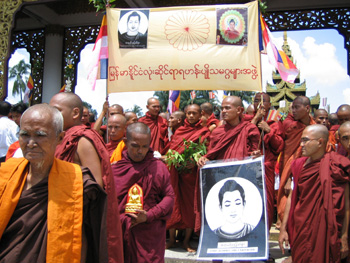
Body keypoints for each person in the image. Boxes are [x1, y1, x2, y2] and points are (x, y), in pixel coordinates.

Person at [0, 104, 108, 262]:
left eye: (40, 135)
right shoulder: (5, 174)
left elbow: (80, 239)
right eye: (24, 134)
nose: (31, 142)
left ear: (60, 138)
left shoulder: (77, 182)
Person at [49, 92, 123, 263]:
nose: (52, 115)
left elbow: (95, 185)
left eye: (57, 110)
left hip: (74, 212)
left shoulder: (82, 140)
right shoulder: (60, 137)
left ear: (75, 113)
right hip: (55, 207)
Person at [278, 124, 350, 262]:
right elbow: (292, 197)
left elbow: (346, 205)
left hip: (326, 229)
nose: (301, 145)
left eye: (305, 140)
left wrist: (345, 236)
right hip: (302, 227)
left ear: (320, 142)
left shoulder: (337, 166)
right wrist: (283, 228)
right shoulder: (298, 165)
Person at [112, 122, 174, 263]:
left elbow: (169, 197)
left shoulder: (158, 167)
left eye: (145, 146)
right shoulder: (116, 170)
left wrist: (148, 216)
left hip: (149, 233)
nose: (140, 151)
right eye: (135, 146)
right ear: (125, 142)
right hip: (122, 230)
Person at [196, 96, 260, 233]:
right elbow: (212, 154)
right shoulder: (218, 132)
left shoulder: (250, 129)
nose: (223, 111)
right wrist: (204, 160)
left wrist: (255, 156)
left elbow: (253, 153)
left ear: (239, 110)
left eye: (227, 108)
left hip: (243, 178)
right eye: (221, 108)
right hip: (221, 179)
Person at [166, 104, 210, 252]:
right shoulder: (179, 131)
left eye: (194, 113)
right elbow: (173, 149)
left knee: (191, 206)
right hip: (176, 172)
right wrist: (174, 159)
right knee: (174, 202)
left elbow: (205, 150)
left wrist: (195, 161)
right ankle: (172, 239)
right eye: (189, 113)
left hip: (191, 174)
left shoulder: (203, 132)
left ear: (200, 115)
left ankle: (186, 241)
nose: (191, 116)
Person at [248, 92, 284, 230]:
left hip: (266, 166)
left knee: (266, 202)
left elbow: (280, 146)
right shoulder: (247, 120)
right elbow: (242, 138)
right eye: (257, 101)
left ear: (269, 104)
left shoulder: (275, 123)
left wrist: (269, 131)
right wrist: (255, 120)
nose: (260, 104)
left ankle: (265, 237)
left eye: (264, 101)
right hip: (249, 166)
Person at [277, 96, 315, 223]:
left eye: (296, 107)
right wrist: (289, 177)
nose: (293, 110)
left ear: (307, 108)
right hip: (290, 168)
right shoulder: (290, 125)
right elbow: (288, 153)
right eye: (292, 108)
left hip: (310, 169)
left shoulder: (315, 128)